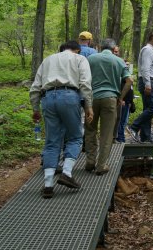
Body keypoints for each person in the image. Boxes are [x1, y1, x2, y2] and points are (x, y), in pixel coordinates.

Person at [30, 40, 93, 199]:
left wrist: (35, 108)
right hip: (69, 96)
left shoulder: (48, 60)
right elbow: (85, 83)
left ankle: (48, 185)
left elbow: (36, 86)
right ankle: (66, 172)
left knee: (52, 141)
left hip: (48, 98)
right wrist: (88, 106)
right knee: (75, 137)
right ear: (77, 50)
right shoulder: (80, 59)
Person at [85, 39, 131, 175]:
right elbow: (129, 81)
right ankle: (101, 165)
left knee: (90, 130)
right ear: (113, 49)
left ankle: (90, 161)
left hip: (92, 99)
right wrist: (121, 97)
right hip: (110, 99)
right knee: (107, 133)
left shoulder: (90, 59)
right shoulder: (119, 61)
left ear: (100, 47)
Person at [128, 32, 153, 143]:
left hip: (149, 82)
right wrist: (148, 84)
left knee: (148, 109)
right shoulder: (148, 50)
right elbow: (145, 68)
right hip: (149, 82)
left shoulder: (149, 50)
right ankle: (133, 127)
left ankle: (145, 137)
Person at [115, 60, 135, 143]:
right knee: (121, 121)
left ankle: (121, 138)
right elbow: (120, 88)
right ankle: (120, 138)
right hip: (122, 101)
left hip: (128, 102)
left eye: (128, 65)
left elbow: (130, 90)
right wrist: (121, 99)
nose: (127, 66)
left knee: (124, 121)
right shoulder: (121, 76)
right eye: (125, 65)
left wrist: (131, 102)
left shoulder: (129, 76)